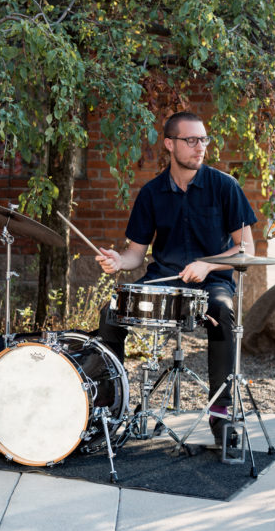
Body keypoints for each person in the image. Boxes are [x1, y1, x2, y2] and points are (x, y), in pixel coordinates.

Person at [95, 111, 258, 444]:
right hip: (164, 280)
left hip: (212, 283)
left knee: (223, 313)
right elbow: (136, 255)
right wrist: (118, 261)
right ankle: (109, 409)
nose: (201, 147)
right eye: (191, 140)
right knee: (110, 312)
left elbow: (246, 249)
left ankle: (221, 416)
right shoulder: (151, 193)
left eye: (204, 140)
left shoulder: (225, 187)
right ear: (170, 144)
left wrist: (208, 265)